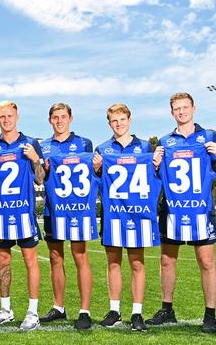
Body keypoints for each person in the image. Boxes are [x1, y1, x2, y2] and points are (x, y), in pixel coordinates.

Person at [147, 92, 216, 333]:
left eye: (185, 107)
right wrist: (155, 166)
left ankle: (210, 314)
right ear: (171, 113)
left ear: (193, 108)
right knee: (167, 260)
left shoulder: (208, 136)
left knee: (206, 261)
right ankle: (167, 309)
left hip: (201, 208)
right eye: (176, 108)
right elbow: (157, 178)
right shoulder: (166, 142)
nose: (181, 112)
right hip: (172, 209)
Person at [93, 103, 159, 331]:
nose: (118, 124)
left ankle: (137, 313)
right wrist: (97, 169)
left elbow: (155, 177)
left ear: (129, 120)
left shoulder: (145, 147)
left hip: (137, 214)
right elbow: (96, 182)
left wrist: (157, 165)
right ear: (109, 123)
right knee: (113, 262)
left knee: (137, 262)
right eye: (114, 121)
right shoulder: (102, 150)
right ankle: (114, 310)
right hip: (113, 214)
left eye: (122, 120)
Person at [0, 100, 44, 331]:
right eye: (2, 117)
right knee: (3, 261)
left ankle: (33, 312)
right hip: (0, 214)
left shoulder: (30, 143)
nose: (6, 120)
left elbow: (40, 179)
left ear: (17, 117)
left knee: (30, 261)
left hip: (24, 213)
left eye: (10, 116)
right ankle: (6, 309)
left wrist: (36, 159)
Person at [39, 103, 95, 330]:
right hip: (53, 209)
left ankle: (85, 310)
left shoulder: (84, 143)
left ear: (71, 118)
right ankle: (59, 307)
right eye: (55, 117)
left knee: (80, 255)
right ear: (50, 120)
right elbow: (38, 179)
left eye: (63, 117)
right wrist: (41, 167)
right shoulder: (43, 146)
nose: (59, 121)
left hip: (77, 209)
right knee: (55, 257)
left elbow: (93, 174)